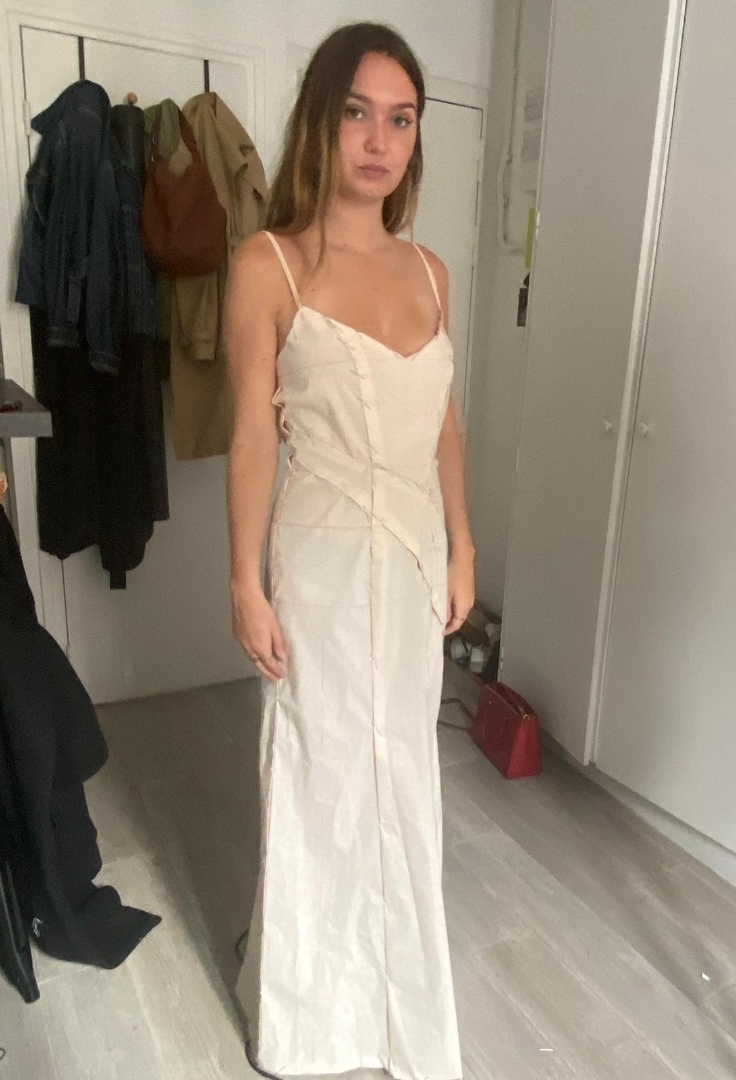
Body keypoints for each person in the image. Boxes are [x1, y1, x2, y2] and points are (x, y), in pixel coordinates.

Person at [224, 21, 475, 1080]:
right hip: (318, 569)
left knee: (402, 775)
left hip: (413, 566)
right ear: (320, 122)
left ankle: (398, 1011)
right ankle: (309, 1019)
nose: (380, 141)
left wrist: (464, 545)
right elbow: (250, 432)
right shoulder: (267, 264)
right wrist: (244, 582)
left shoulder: (433, 272)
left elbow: (444, 423)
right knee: (320, 775)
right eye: (359, 114)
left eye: (402, 119)